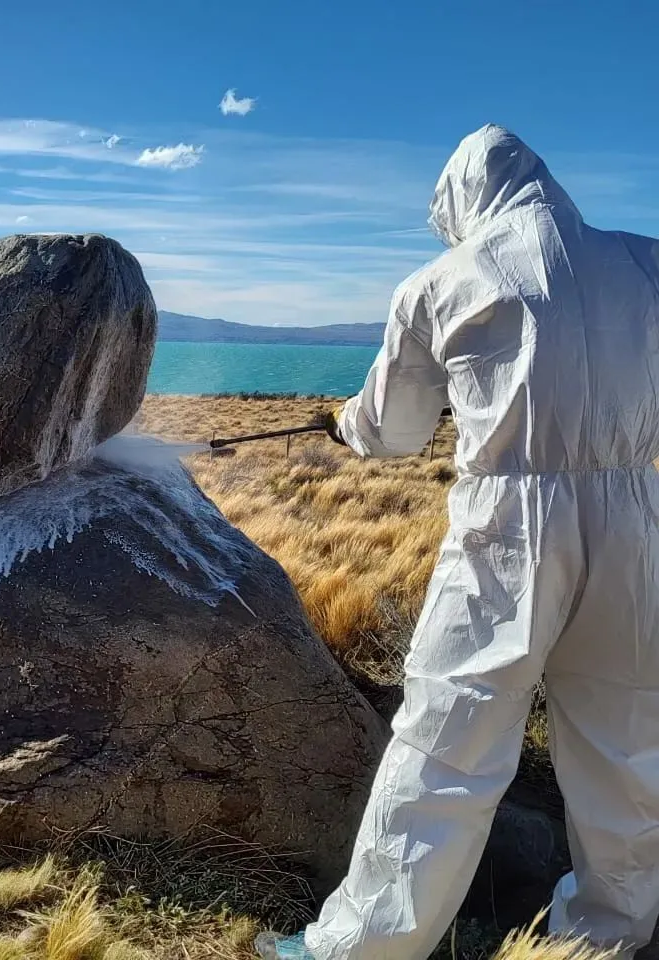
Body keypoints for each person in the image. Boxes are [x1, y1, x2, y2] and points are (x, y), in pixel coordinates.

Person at [257, 123, 659, 960]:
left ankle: (362, 949)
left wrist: (343, 429)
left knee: (446, 741)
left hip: (509, 533)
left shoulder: (439, 282)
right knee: (627, 745)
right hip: (636, 516)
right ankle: (609, 940)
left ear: (461, 199)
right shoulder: (646, 260)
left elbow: (393, 428)